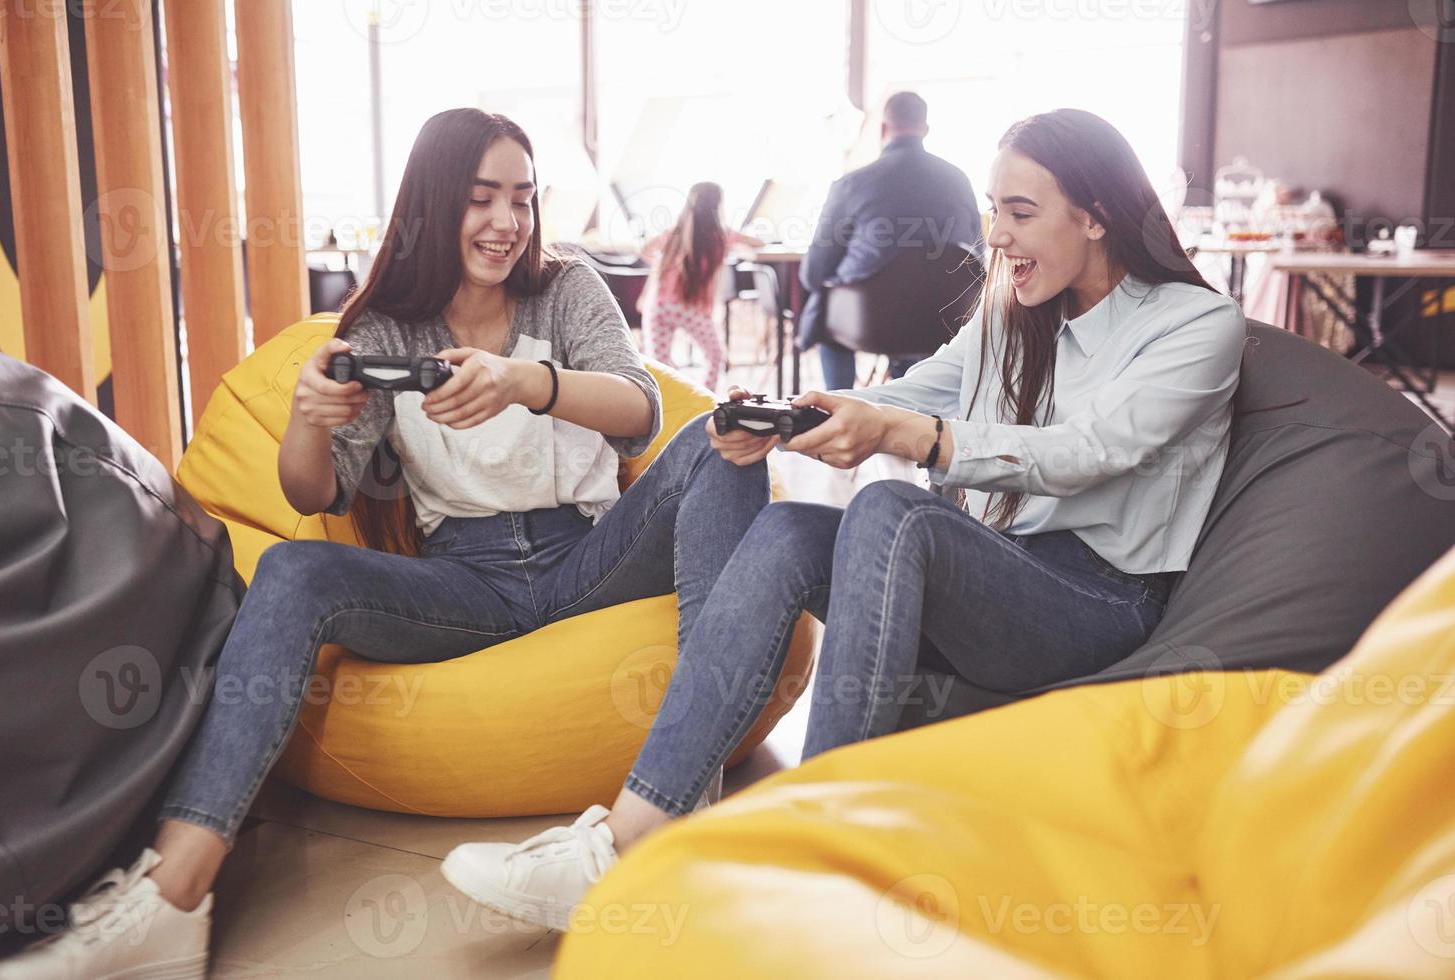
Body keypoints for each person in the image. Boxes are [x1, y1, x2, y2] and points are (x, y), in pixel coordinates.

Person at [0, 108, 776, 979]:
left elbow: (644, 413)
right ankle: (176, 896)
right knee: (291, 570)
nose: (507, 223)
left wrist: (527, 382)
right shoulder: (386, 327)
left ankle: (667, 802)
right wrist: (307, 423)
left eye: (521, 198)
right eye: (481, 200)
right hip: (465, 585)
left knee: (723, 443)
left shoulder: (566, 287)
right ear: (434, 207)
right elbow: (310, 494)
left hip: (589, 557)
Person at [439, 108, 1245, 931]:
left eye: (1020, 213)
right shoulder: (1014, 317)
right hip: (996, 575)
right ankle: (634, 835)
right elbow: (910, 391)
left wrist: (904, 437)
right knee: (790, 531)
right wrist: (793, 415)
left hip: (1096, 603)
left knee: (895, 507)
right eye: (992, 211)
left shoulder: (1195, 325)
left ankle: (814, 862)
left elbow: (1088, 450)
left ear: (1097, 214)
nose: (995, 237)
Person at [799, 90, 984, 391]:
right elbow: (978, 257)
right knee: (920, 328)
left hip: (866, 323)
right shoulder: (960, 181)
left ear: (883, 129)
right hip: (945, 320)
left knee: (824, 312)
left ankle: (837, 405)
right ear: (925, 129)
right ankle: (916, 401)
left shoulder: (851, 184)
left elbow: (813, 274)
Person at [638, 182, 764, 391]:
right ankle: (705, 401)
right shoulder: (722, 236)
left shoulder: (675, 233)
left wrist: (665, 264)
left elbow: (645, 249)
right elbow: (757, 243)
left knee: (659, 365)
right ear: (718, 206)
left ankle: (672, 399)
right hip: (690, 307)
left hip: (658, 305)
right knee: (715, 356)